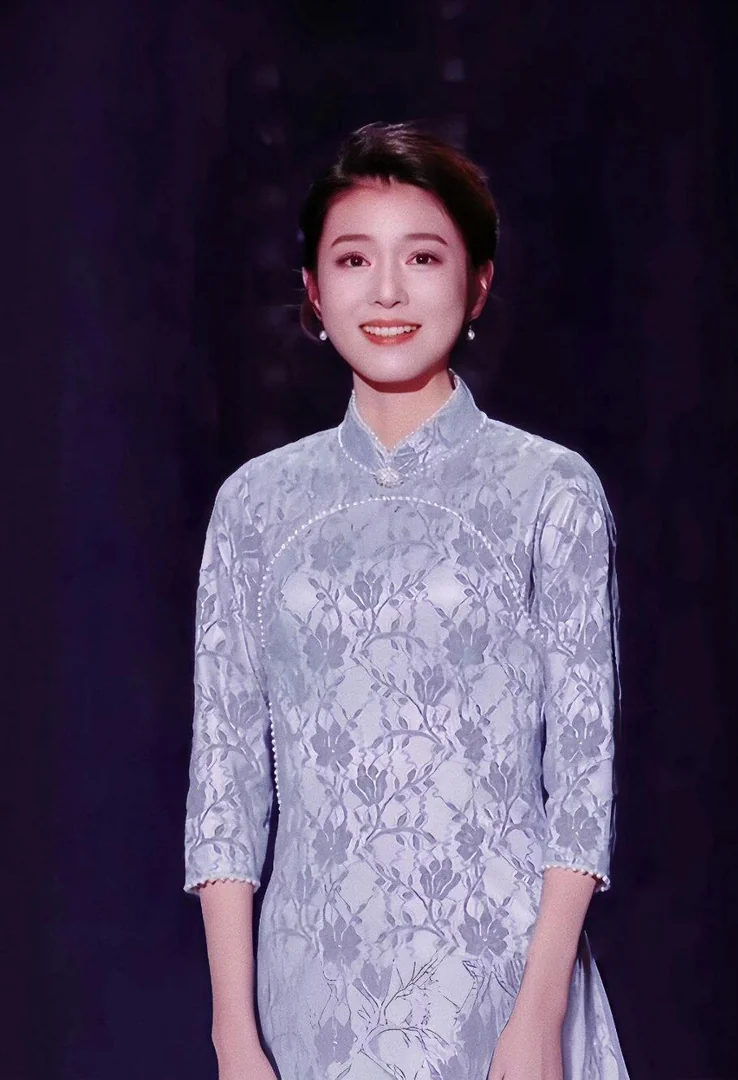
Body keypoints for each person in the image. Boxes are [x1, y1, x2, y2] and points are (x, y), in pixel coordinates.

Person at [183, 120, 630, 1080]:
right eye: (353, 259)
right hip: (306, 1002)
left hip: (503, 992)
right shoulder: (255, 506)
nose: (385, 291)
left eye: (422, 257)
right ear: (313, 291)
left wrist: (538, 1017)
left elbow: (581, 779)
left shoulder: (546, 489)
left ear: (477, 284)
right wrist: (232, 1035)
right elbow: (224, 786)